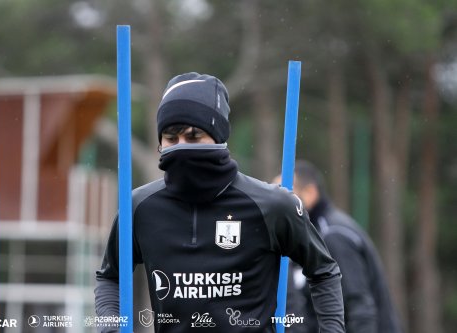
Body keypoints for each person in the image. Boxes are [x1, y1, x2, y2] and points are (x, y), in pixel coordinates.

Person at [95, 72, 345, 333]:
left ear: (219, 137)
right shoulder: (139, 207)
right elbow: (110, 277)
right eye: (170, 138)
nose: (181, 147)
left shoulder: (273, 204)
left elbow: (323, 271)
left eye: (193, 137)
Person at [274, 160, 403, 333]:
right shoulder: (308, 234)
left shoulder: (333, 236)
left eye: (285, 194)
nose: (276, 202)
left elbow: (361, 309)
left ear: (310, 193)